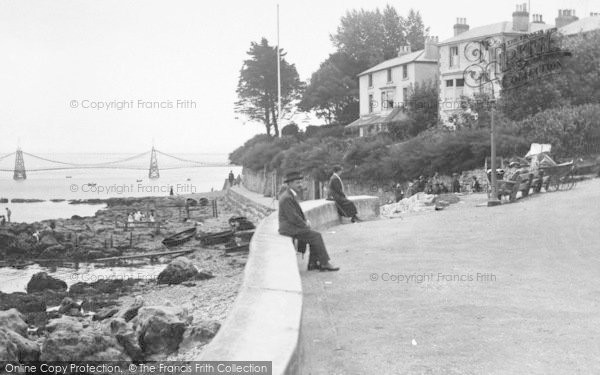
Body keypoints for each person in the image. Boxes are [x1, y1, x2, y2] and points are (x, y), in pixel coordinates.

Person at [279, 171, 339, 272]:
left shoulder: (290, 195)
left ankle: (312, 263)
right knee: (316, 236)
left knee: (313, 235)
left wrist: (305, 221)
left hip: (290, 226)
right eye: (297, 183)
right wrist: (305, 225)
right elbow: (293, 217)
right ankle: (324, 263)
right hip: (288, 228)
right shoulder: (287, 197)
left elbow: (296, 214)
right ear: (289, 184)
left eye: (300, 182)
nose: (300, 185)